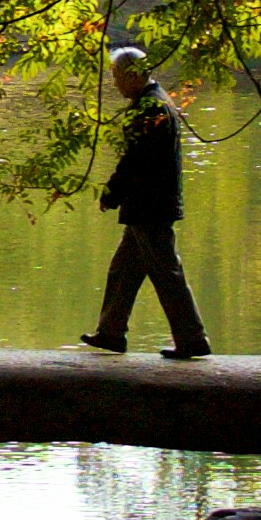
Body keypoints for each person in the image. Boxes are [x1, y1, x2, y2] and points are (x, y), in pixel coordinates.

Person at [81, 47, 211, 355]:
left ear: (132, 75)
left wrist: (112, 193)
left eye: (116, 77)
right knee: (123, 270)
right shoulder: (153, 103)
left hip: (151, 207)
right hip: (147, 205)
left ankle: (192, 339)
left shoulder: (151, 108)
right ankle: (111, 332)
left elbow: (136, 159)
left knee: (166, 273)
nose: (114, 84)